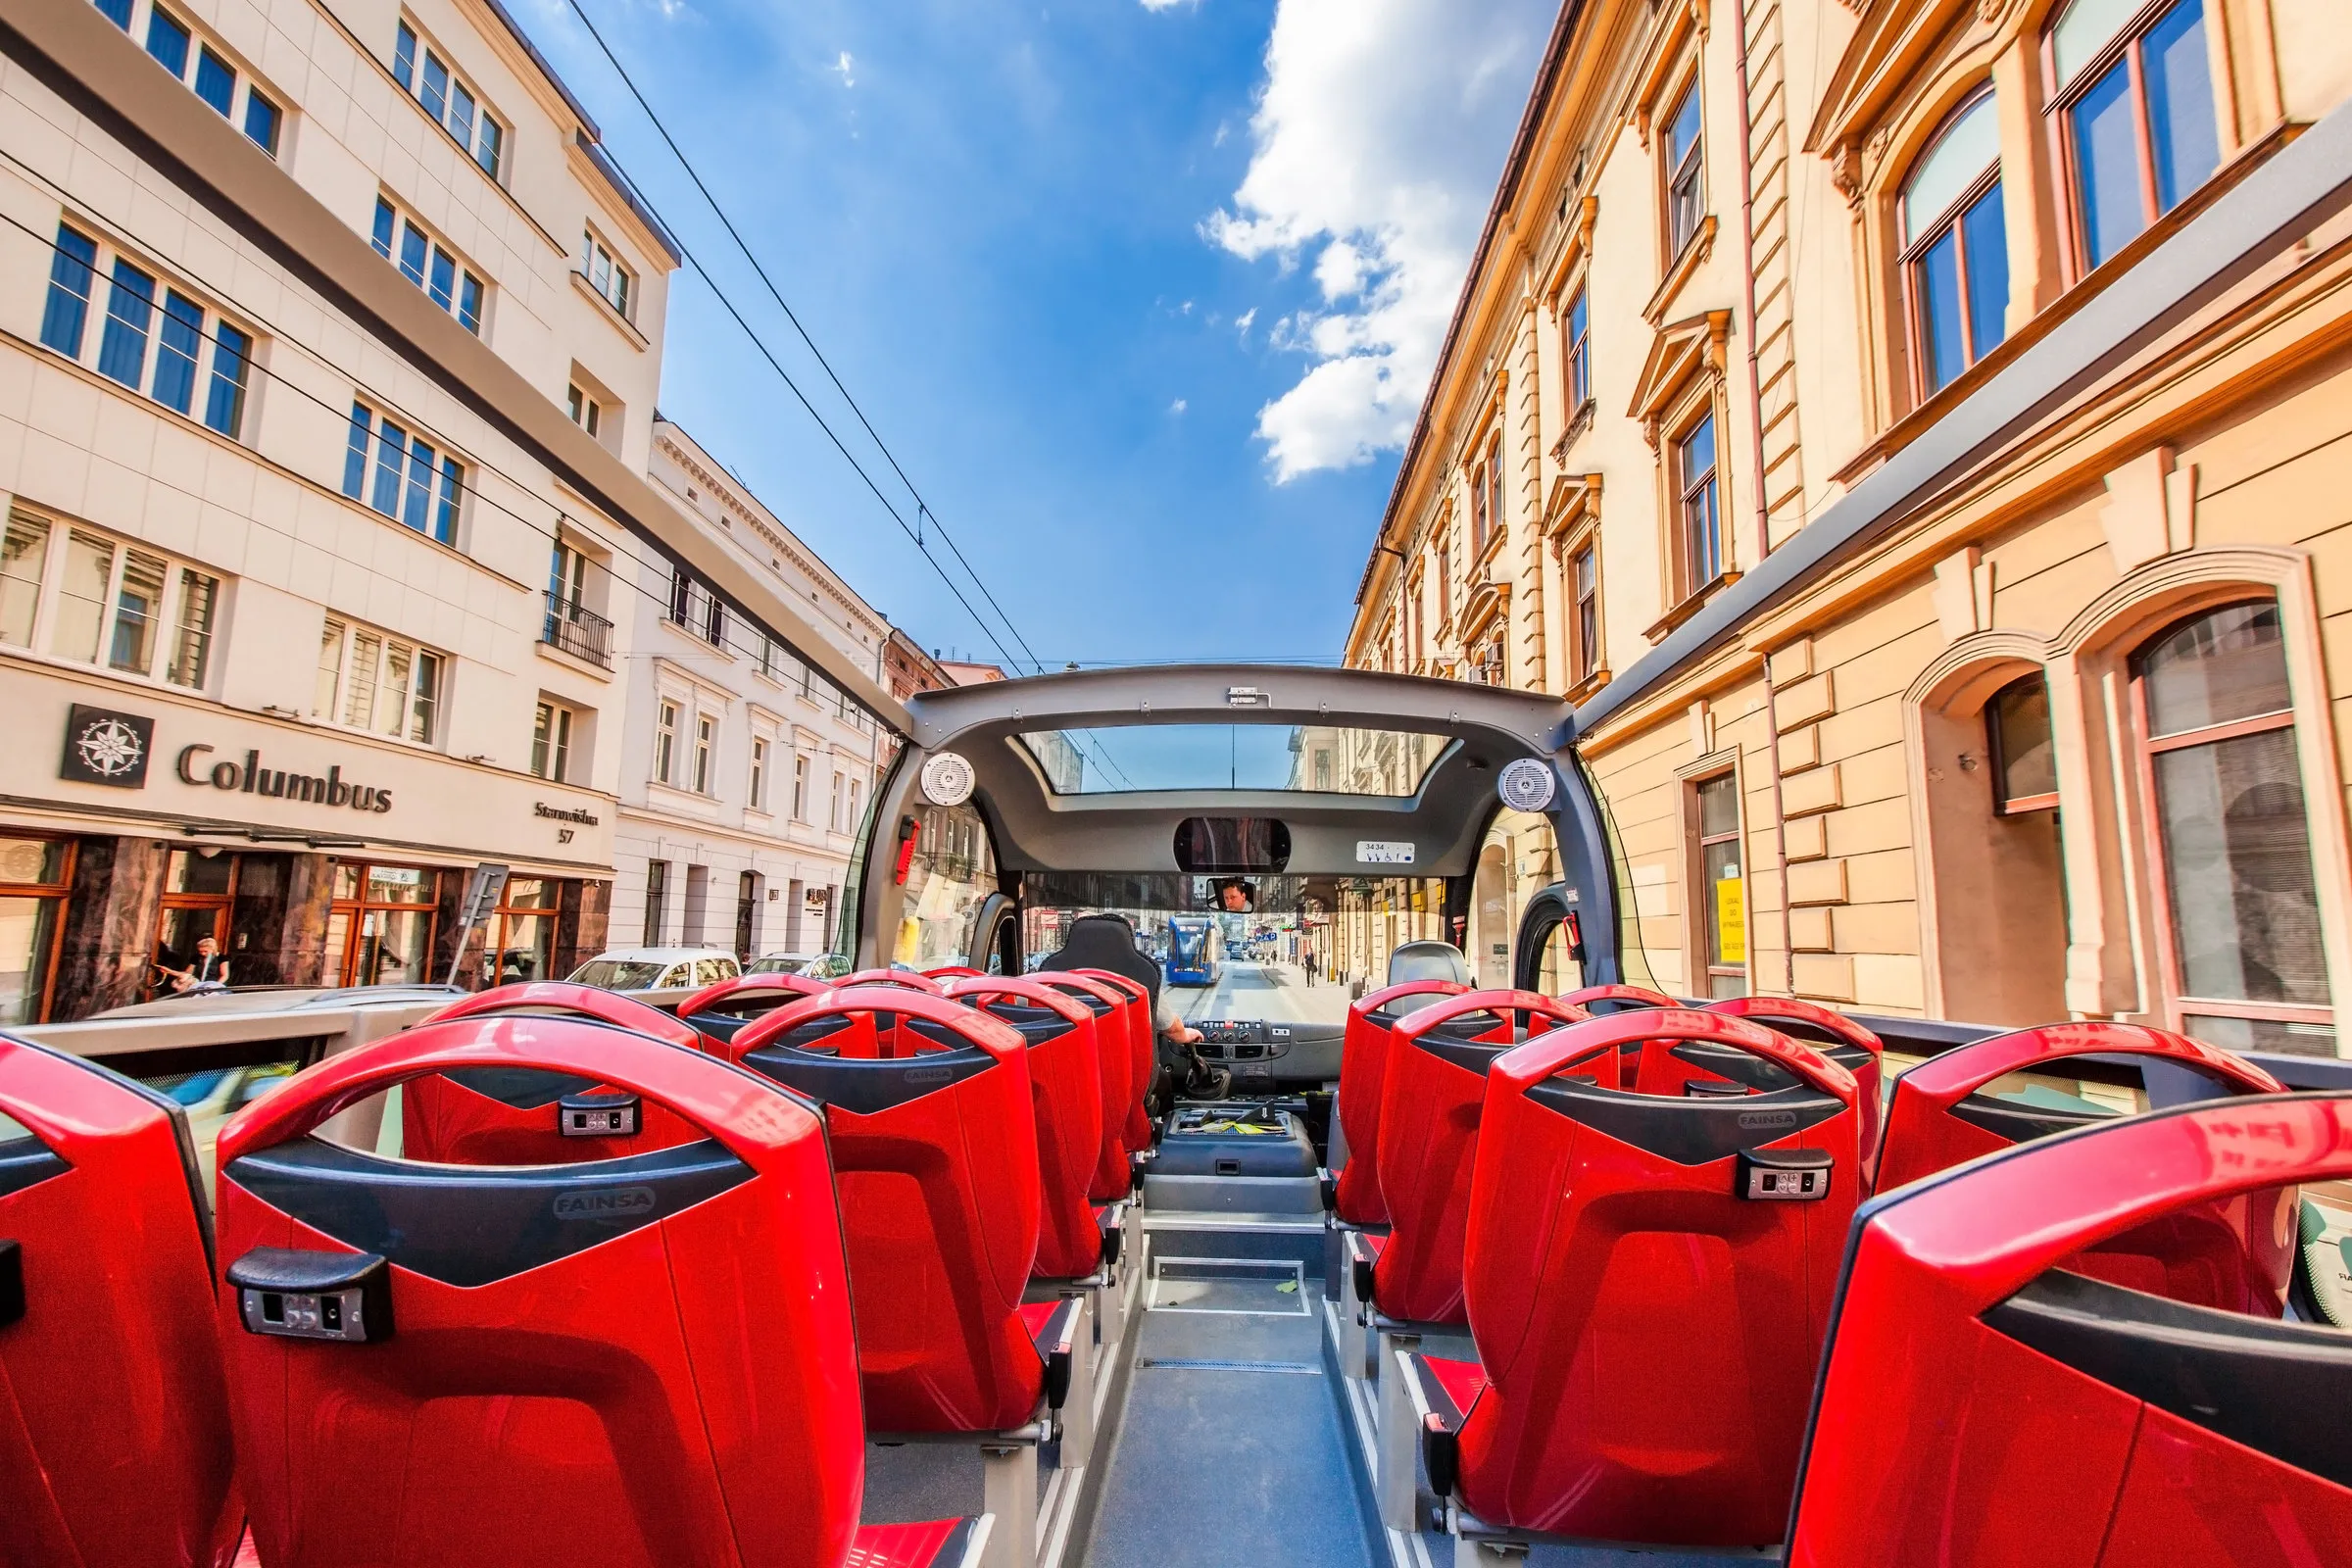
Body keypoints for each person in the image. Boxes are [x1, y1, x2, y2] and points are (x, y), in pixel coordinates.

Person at [158, 935, 230, 993]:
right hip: (199, 985)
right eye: (200, 951)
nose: (202, 953)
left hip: (215, 986)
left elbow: (224, 975)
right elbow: (187, 973)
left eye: (205, 951)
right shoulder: (196, 957)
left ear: (213, 949)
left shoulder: (222, 958)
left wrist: (214, 986)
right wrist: (169, 971)